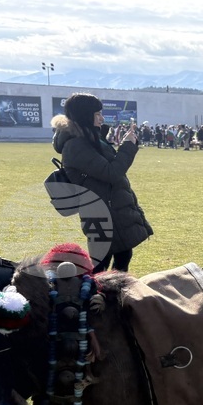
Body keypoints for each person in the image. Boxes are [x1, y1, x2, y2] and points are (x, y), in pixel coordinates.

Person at [51, 93, 154, 274]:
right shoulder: (76, 145)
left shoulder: (88, 139)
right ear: (85, 115)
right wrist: (128, 145)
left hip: (110, 209)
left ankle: (112, 295)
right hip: (101, 212)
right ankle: (96, 297)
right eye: (97, 114)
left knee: (122, 255)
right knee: (101, 265)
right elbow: (111, 172)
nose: (101, 117)